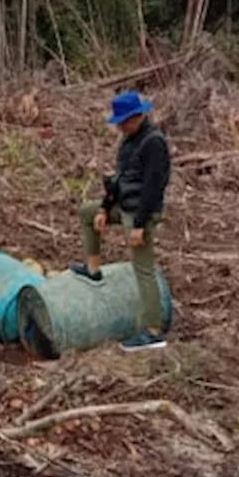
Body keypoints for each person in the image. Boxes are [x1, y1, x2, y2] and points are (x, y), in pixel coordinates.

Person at [69, 89, 171, 352]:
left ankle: (152, 331)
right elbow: (119, 180)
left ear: (137, 117)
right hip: (124, 205)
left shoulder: (154, 142)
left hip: (141, 213)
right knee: (87, 212)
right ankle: (93, 270)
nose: (120, 127)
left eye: (123, 121)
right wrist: (104, 208)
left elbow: (153, 187)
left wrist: (139, 225)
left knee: (143, 269)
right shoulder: (128, 141)